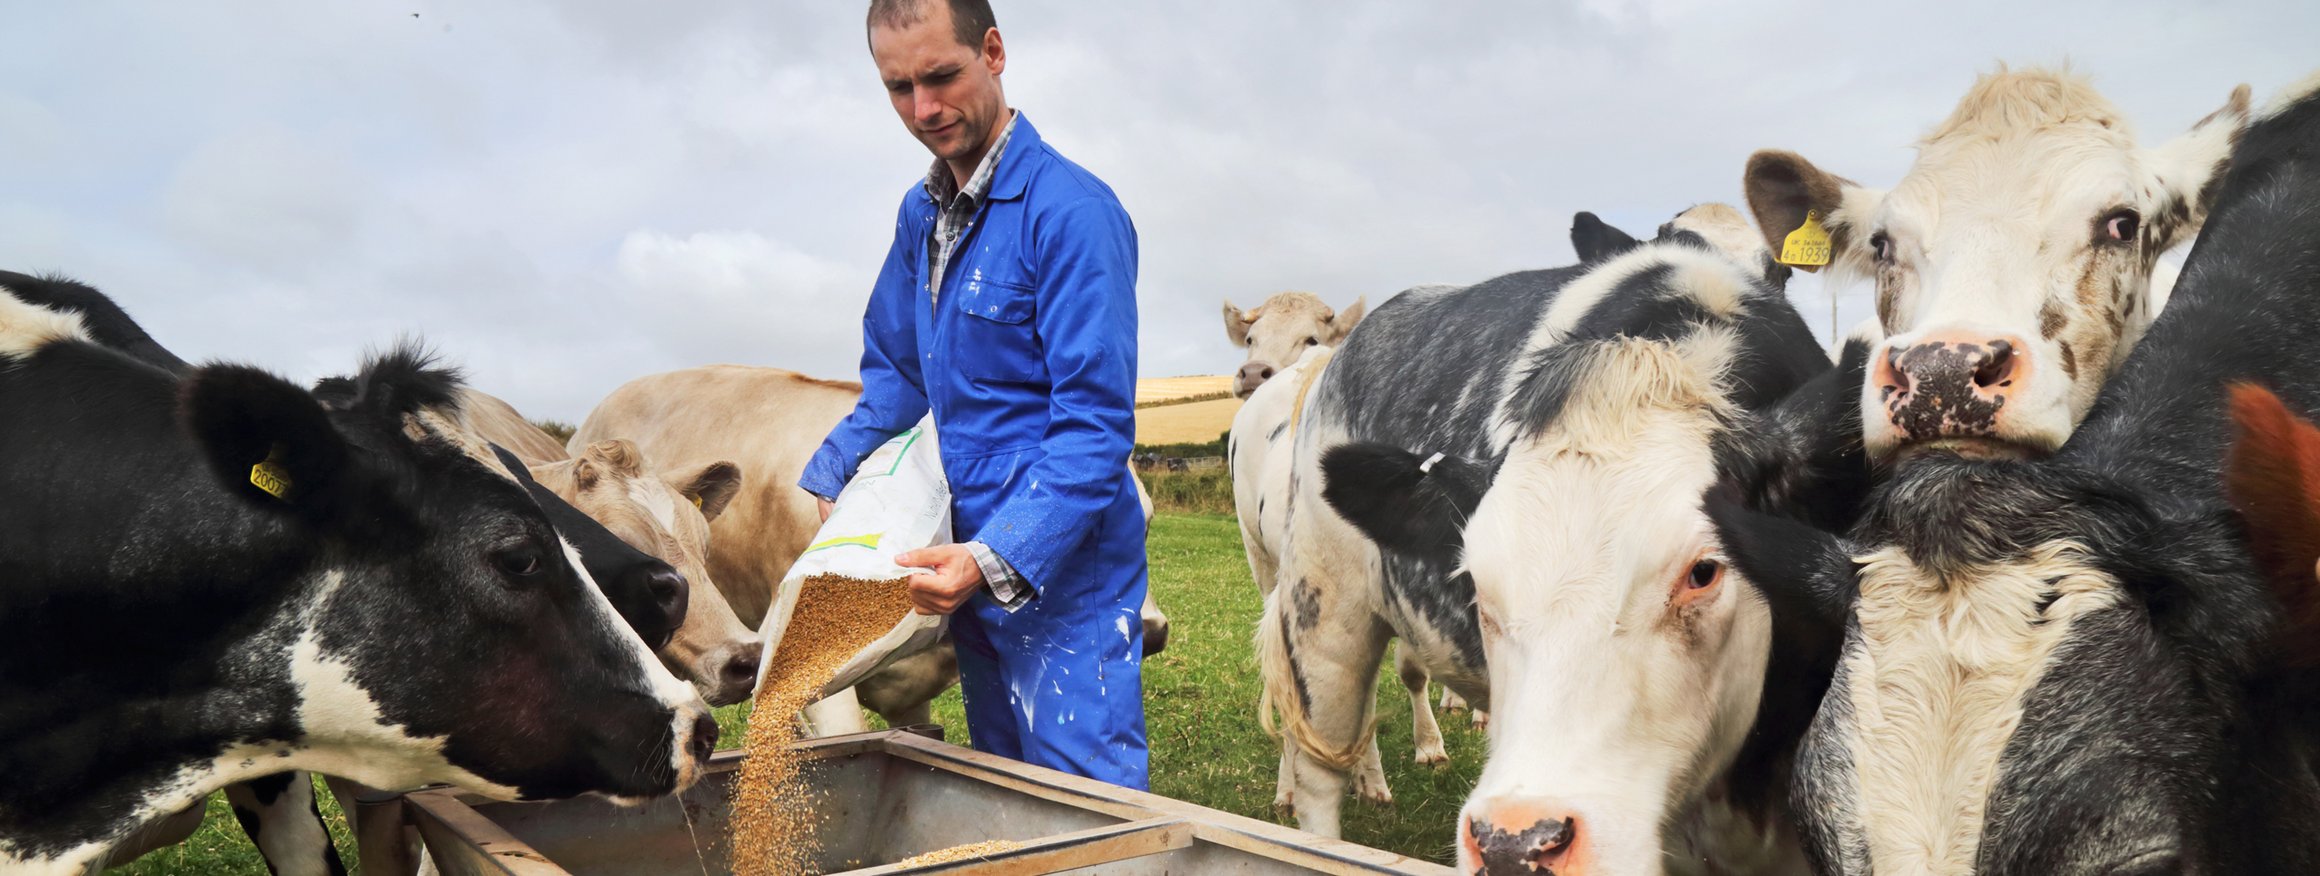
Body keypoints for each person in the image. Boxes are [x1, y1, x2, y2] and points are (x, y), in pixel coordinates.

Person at [798, 0, 1148, 790]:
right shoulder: (921, 215)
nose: (923, 109)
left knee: (1084, 793)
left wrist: (997, 559)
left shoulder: (1072, 215)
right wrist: (835, 473)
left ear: (993, 52)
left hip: (1058, 561)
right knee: (1001, 781)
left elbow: (1094, 427)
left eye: (941, 76)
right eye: (898, 87)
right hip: (957, 543)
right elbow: (896, 370)